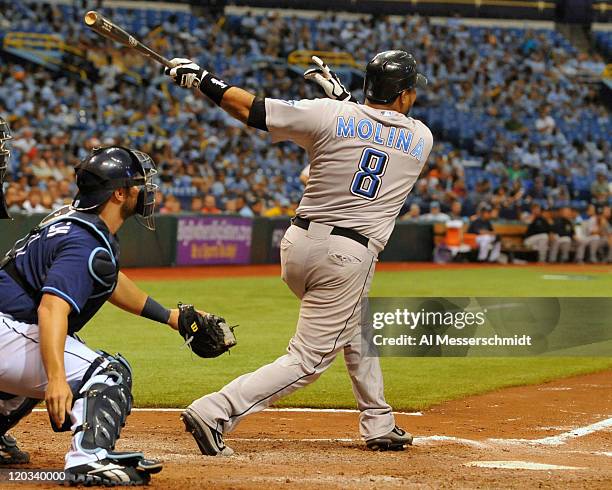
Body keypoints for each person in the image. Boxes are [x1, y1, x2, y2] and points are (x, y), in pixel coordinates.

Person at [165, 50, 432, 453]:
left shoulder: (327, 114)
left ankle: (379, 421)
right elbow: (374, 131)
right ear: (405, 95)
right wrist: (344, 100)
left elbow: (252, 110)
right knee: (307, 361)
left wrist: (203, 79)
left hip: (298, 244)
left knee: (357, 327)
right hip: (347, 256)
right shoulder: (420, 137)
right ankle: (215, 410)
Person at [0, 146, 174, 485]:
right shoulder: (85, 241)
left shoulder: (73, 223)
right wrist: (55, 379)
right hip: (5, 330)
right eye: (139, 183)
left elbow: (108, 280)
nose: (147, 189)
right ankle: (88, 460)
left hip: (6, 327)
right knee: (107, 373)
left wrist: (172, 318)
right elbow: (52, 308)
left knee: (57, 351)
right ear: (119, 193)